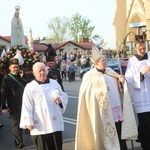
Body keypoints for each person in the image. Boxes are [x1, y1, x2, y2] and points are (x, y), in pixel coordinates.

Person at [75, 46, 137, 150]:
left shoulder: (110, 71)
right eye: (102, 60)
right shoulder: (89, 76)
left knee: (119, 132)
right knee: (106, 136)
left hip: (115, 107)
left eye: (104, 60)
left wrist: (121, 81)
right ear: (96, 63)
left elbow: (120, 87)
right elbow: (87, 94)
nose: (104, 62)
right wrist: (101, 89)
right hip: (102, 111)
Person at [19, 62, 68, 150]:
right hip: (39, 125)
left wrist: (60, 99)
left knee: (57, 147)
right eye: (39, 71)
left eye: (43, 70)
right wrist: (28, 122)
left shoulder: (54, 83)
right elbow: (27, 105)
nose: (42, 73)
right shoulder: (30, 87)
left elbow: (63, 95)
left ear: (47, 71)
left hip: (55, 123)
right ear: (34, 73)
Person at [125, 39, 150, 150]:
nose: (143, 51)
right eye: (140, 49)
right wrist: (141, 73)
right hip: (141, 96)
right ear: (135, 48)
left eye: (144, 48)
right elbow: (129, 78)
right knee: (144, 122)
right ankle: (145, 144)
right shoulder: (132, 61)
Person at [1, 58, 27, 148]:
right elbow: (3, 92)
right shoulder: (6, 78)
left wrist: (22, 77)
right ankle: (19, 141)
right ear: (10, 68)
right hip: (14, 104)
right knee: (16, 123)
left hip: (25, 103)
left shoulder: (21, 77)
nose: (16, 69)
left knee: (24, 121)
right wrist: (3, 105)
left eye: (17, 67)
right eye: (14, 67)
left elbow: (27, 86)